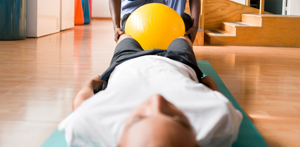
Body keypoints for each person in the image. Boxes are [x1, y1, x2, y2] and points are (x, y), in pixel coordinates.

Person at [58, 34, 242, 147]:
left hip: (127, 62)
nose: (157, 100)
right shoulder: (218, 120)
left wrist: (90, 84)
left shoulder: (92, 125)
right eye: (177, 119)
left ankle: (125, 26)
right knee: (182, 38)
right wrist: (210, 84)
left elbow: (80, 105)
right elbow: (216, 95)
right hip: (178, 61)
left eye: (138, 118)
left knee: (125, 36)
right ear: (196, 141)